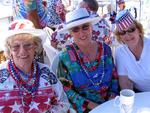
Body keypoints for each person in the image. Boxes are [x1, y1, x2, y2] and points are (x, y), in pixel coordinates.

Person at [0, 19, 70, 113]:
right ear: (9, 49)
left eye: (28, 45)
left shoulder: (46, 71)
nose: (22, 51)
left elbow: (63, 102)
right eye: (16, 46)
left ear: (35, 47)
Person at [57, 8, 119, 113]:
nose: (82, 33)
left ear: (91, 27)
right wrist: (94, 107)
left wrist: (111, 99)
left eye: (85, 27)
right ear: (70, 33)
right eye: (75, 29)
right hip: (84, 109)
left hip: (111, 105)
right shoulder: (65, 57)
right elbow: (66, 89)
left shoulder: (105, 49)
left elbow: (114, 78)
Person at [114, 10, 150, 92]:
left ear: (139, 30)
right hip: (137, 94)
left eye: (131, 30)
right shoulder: (120, 52)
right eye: (122, 32)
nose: (127, 35)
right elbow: (125, 82)